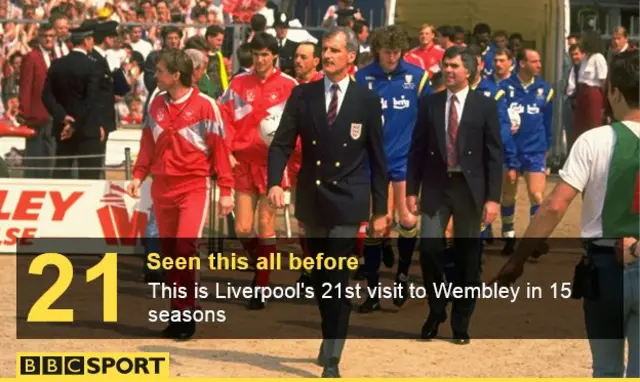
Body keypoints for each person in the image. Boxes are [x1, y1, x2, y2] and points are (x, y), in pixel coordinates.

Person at [491, 50, 639, 378]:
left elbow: (555, 206)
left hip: (604, 265)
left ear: (613, 92)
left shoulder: (594, 141)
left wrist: (518, 259)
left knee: (606, 368)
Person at [267, 26, 388, 378]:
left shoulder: (366, 100)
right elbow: (281, 144)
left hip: (349, 198)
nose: (329, 55)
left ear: (351, 56)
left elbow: (378, 158)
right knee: (320, 276)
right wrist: (275, 181)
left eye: (336, 50)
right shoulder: (302, 96)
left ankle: (333, 354)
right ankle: (328, 334)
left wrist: (381, 209)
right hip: (313, 196)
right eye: (326, 49)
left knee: (337, 273)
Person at [126, 48, 234, 340]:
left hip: (193, 187)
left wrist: (226, 189)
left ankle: (186, 314)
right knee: (171, 254)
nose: (155, 75)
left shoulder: (206, 105)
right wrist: (138, 175)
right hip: (162, 188)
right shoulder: (156, 104)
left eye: (160, 71)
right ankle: (177, 311)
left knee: (185, 250)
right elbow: (147, 144)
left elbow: (220, 150)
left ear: (176, 75)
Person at [406, 45, 503, 345]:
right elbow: (417, 149)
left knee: (468, 257)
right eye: (445, 65)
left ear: (470, 72)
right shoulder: (430, 105)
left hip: (469, 189)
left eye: (454, 66)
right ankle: (437, 310)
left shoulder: (484, 106)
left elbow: (494, 155)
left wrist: (493, 198)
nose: (447, 70)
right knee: (430, 249)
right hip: (436, 186)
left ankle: (461, 322)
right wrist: (411, 189)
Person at [218, 32, 298, 309]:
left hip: (273, 165)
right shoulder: (238, 83)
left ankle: (261, 286)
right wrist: (226, 151)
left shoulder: (289, 85)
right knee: (241, 228)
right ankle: (260, 266)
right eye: (256, 54)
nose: (260, 59)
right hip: (242, 163)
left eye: (265, 54)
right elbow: (224, 117)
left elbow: (297, 125)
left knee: (265, 224)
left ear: (274, 55)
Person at [354, 24, 431, 312]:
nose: (392, 58)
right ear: (377, 51)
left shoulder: (417, 78)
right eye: (387, 52)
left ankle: (402, 275)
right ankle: (372, 291)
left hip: (405, 160)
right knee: (377, 225)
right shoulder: (362, 78)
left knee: (408, 221)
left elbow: (427, 119)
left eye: (397, 52)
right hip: (373, 162)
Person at [498, 49, 554, 255]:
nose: (539, 65)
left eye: (540, 61)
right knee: (508, 195)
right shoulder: (503, 88)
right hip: (511, 150)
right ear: (522, 63)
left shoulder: (545, 89)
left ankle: (533, 241)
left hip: (535, 150)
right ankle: (508, 235)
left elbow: (548, 123)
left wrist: (547, 147)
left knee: (537, 195)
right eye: (534, 61)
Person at [41, 22, 101, 180]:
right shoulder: (93, 66)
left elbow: (46, 96)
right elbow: (91, 99)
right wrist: (74, 124)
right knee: (89, 179)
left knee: (61, 174)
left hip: (62, 128)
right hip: (87, 130)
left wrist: (63, 117)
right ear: (86, 41)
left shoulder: (57, 64)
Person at [91, 20, 130, 179]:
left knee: (100, 157)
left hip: (104, 116)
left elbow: (121, 90)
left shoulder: (107, 57)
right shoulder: (95, 58)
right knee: (94, 159)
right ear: (106, 38)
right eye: (113, 36)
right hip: (97, 118)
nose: (115, 40)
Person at [20, 23, 57, 179]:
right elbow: (26, 85)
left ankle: (47, 181)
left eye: (51, 36)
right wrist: (25, 112)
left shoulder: (55, 57)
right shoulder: (31, 57)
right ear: (39, 38)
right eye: (45, 36)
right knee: (35, 152)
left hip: (54, 113)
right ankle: (32, 182)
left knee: (51, 152)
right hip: (37, 113)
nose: (48, 39)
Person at [573, 31, 607, 140]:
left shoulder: (598, 57)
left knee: (593, 124)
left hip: (593, 92)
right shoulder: (586, 58)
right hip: (583, 92)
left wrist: (604, 103)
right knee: (580, 125)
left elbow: (603, 80)